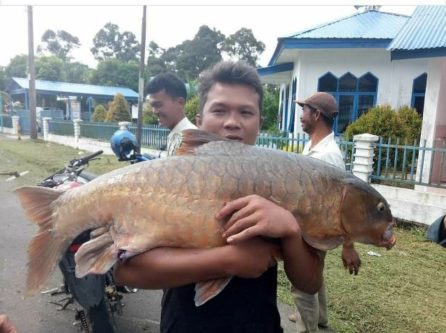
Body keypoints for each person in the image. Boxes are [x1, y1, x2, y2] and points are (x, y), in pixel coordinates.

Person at [114, 61, 324, 333]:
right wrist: (229, 260)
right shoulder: (170, 181)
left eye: (246, 112)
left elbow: (309, 284)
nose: (232, 122)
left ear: (260, 123)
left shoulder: (282, 183)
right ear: (199, 121)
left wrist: (291, 230)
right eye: (220, 110)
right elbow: (126, 272)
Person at [288, 92, 362, 333]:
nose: (301, 116)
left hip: (315, 229)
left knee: (302, 282)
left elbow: (341, 204)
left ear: (317, 114)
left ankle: (306, 327)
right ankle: (319, 318)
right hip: (310, 225)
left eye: (304, 110)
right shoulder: (315, 148)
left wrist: (348, 245)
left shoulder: (328, 156)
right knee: (313, 271)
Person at [146, 72, 197, 155]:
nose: (154, 111)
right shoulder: (175, 134)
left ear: (180, 102)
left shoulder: (191, 139)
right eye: (152, 106)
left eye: (158, 105)